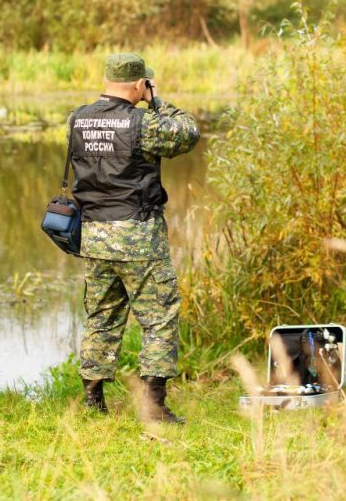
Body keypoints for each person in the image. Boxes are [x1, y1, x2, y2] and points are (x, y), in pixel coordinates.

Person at [67, 52, 200, 423]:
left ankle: (93, 400)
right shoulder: (143, 123)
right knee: (159, 318)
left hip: (93, 233)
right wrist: (157, 100)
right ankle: (154, 406)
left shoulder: (76, 119)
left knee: (101, 316)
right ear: (139, 84)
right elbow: (188, 132)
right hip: (138, 235)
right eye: (145, 84)